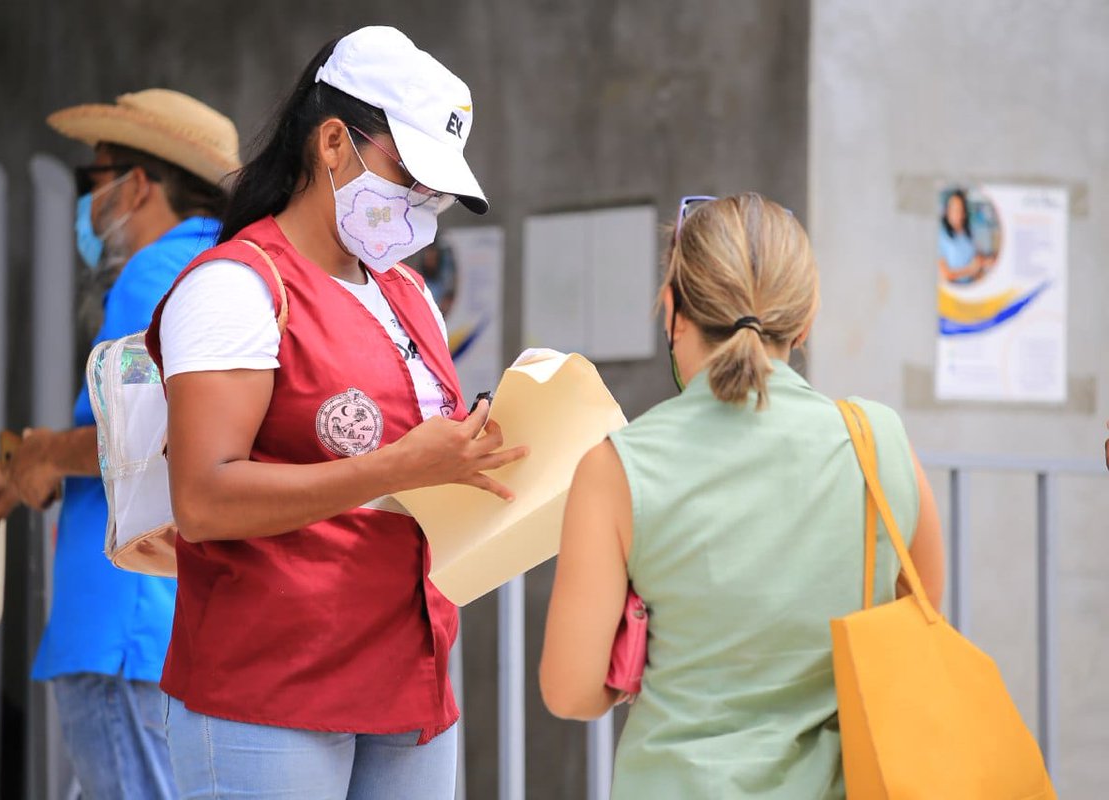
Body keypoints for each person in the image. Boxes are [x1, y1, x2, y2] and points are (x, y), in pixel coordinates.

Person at [145, 27, 527, 799]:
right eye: (408, 176)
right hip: (272, 689)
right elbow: (204, 498)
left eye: (436, 192)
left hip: (408, 680)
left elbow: (420, 468)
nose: (422, 204)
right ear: (331, 143)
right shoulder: (237, 288)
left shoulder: (407, 292)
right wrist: (398, 466)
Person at [539, 193, 945, 798]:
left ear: (673, 308)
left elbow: (571, 691)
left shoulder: (617, 468)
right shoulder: (879, 445)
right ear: (805, 320)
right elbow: (920, 619)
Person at [0, 89, 240, 799]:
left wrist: (51, 453)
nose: (88, 208)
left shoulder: (156, 270)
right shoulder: (232, 271)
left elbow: (149, 438)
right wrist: (30, 457)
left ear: (138, 185)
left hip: (123, 624)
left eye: (95, 182)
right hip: (182, 624)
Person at [938, 188, 992, 283]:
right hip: (953, 290)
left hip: (971, 285)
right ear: (947, 211)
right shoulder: (941, 235)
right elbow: (946, 274)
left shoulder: (968, 233)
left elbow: (975, 258)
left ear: (964, 213)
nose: (955, 213)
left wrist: (983, 261)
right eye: (952, 209)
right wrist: (970, 270)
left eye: (959, 209)